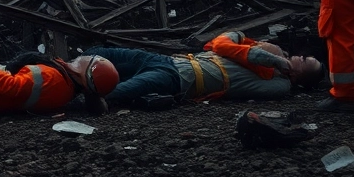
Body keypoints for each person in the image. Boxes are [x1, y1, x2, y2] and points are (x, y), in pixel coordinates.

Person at [87, 32, 325, 105]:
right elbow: (222, 43)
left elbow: (262, 86)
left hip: (179, 80)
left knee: (114, 93)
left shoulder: (278, 85)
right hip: (168, 60)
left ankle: (72, 95)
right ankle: (67, 70)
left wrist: (274, 63)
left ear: (299, 77)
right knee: (102, 54)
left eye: (304, 61)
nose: (300, 56)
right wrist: (272, 56)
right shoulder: (248, 46)